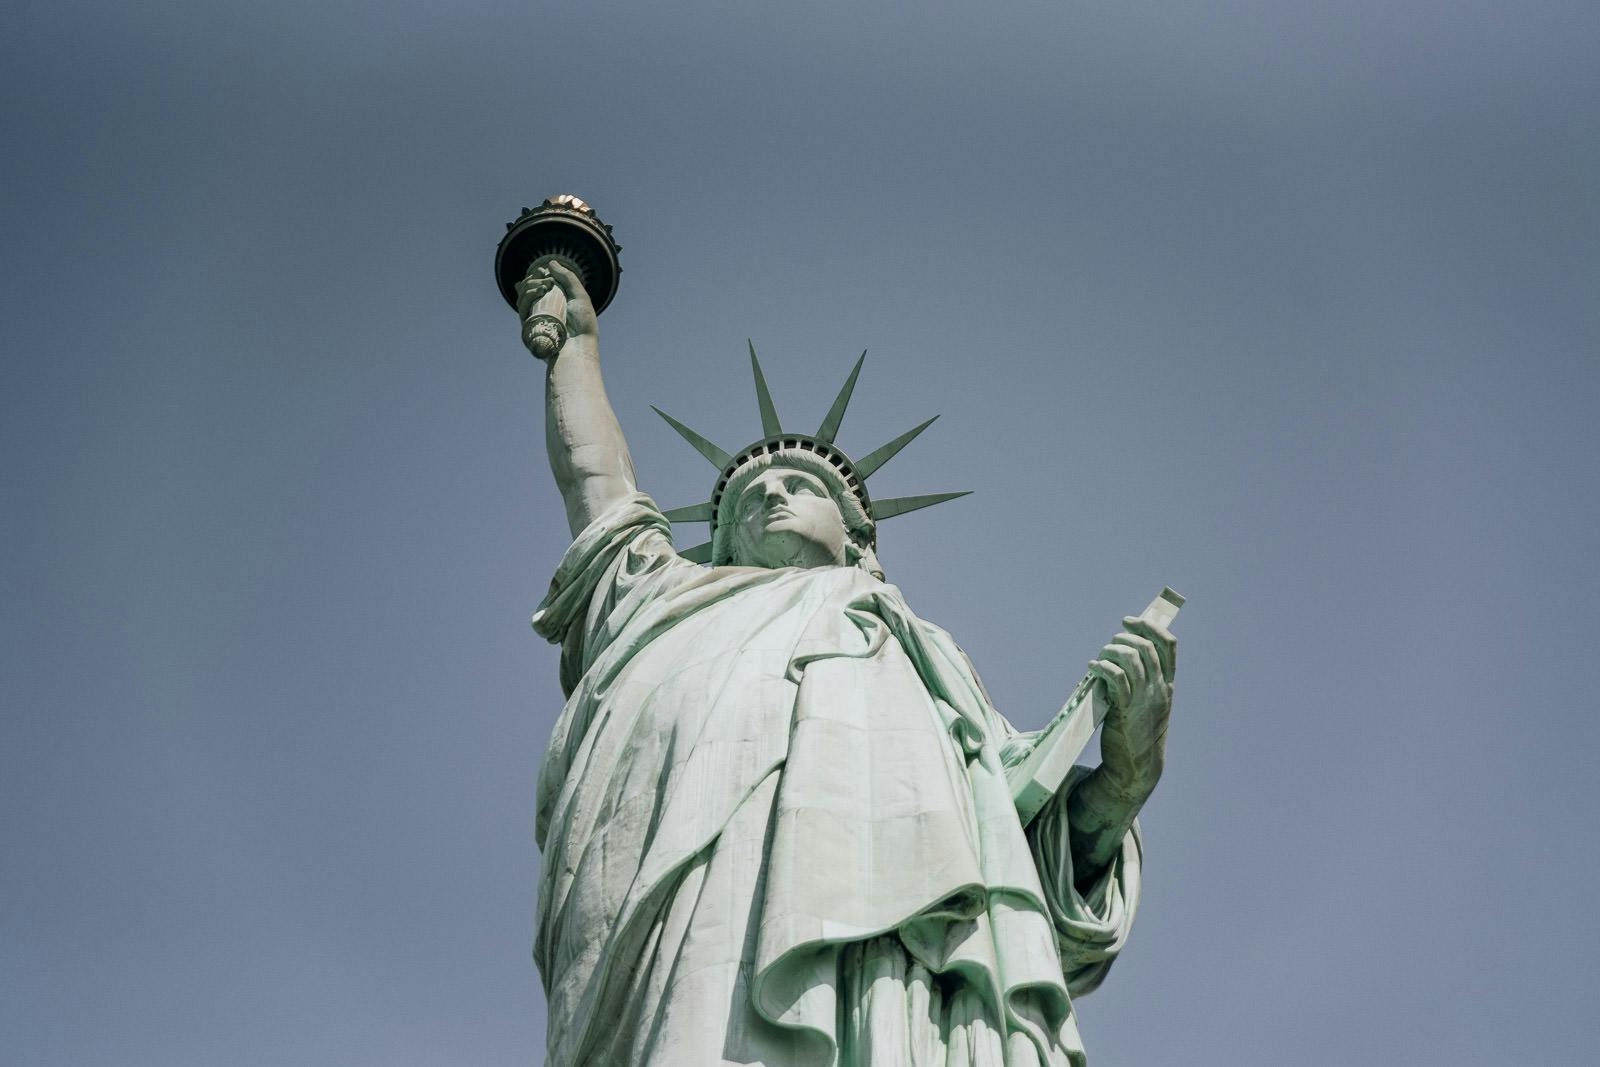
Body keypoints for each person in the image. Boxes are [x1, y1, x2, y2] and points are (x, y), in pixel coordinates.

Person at [519, 261, 1177, 1066]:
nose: (770, 496)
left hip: (896, 953)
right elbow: (598, 486)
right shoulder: (665, 599)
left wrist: (1121, 777)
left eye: (798, 484)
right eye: (746, 497)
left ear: (859, 538)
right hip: (680, 927)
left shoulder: (920, 656)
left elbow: (1017, 832)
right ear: (719, 543)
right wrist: (577, 349)